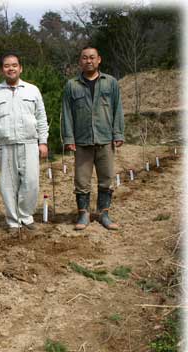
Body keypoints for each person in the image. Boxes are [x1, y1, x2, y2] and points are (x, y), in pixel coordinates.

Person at [0, 52, 49, 232]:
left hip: (29, 143)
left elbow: (41, 118)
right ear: (1, 70)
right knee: (8, 185)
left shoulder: (32, 90)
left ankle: (26, 216)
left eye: (14, 65)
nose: (10, 68)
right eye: (6, 66)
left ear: (20, 68)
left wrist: (43, 142)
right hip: (5, 144)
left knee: (31, 183)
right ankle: (13, 221)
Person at [61, 46, 124, 230]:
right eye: (84, 58)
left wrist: (118, 133)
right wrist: (68, 138)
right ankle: (83, 214)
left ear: (99, 59)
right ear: (80, 61)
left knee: (106, 178)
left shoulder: (110, 83)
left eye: (92, 57)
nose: (88, 61)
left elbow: (117, 108)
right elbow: (66, 113)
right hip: (82, 141)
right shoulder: (72, 85)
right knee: (82, 180)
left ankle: (104, 214)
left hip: (105, 139)